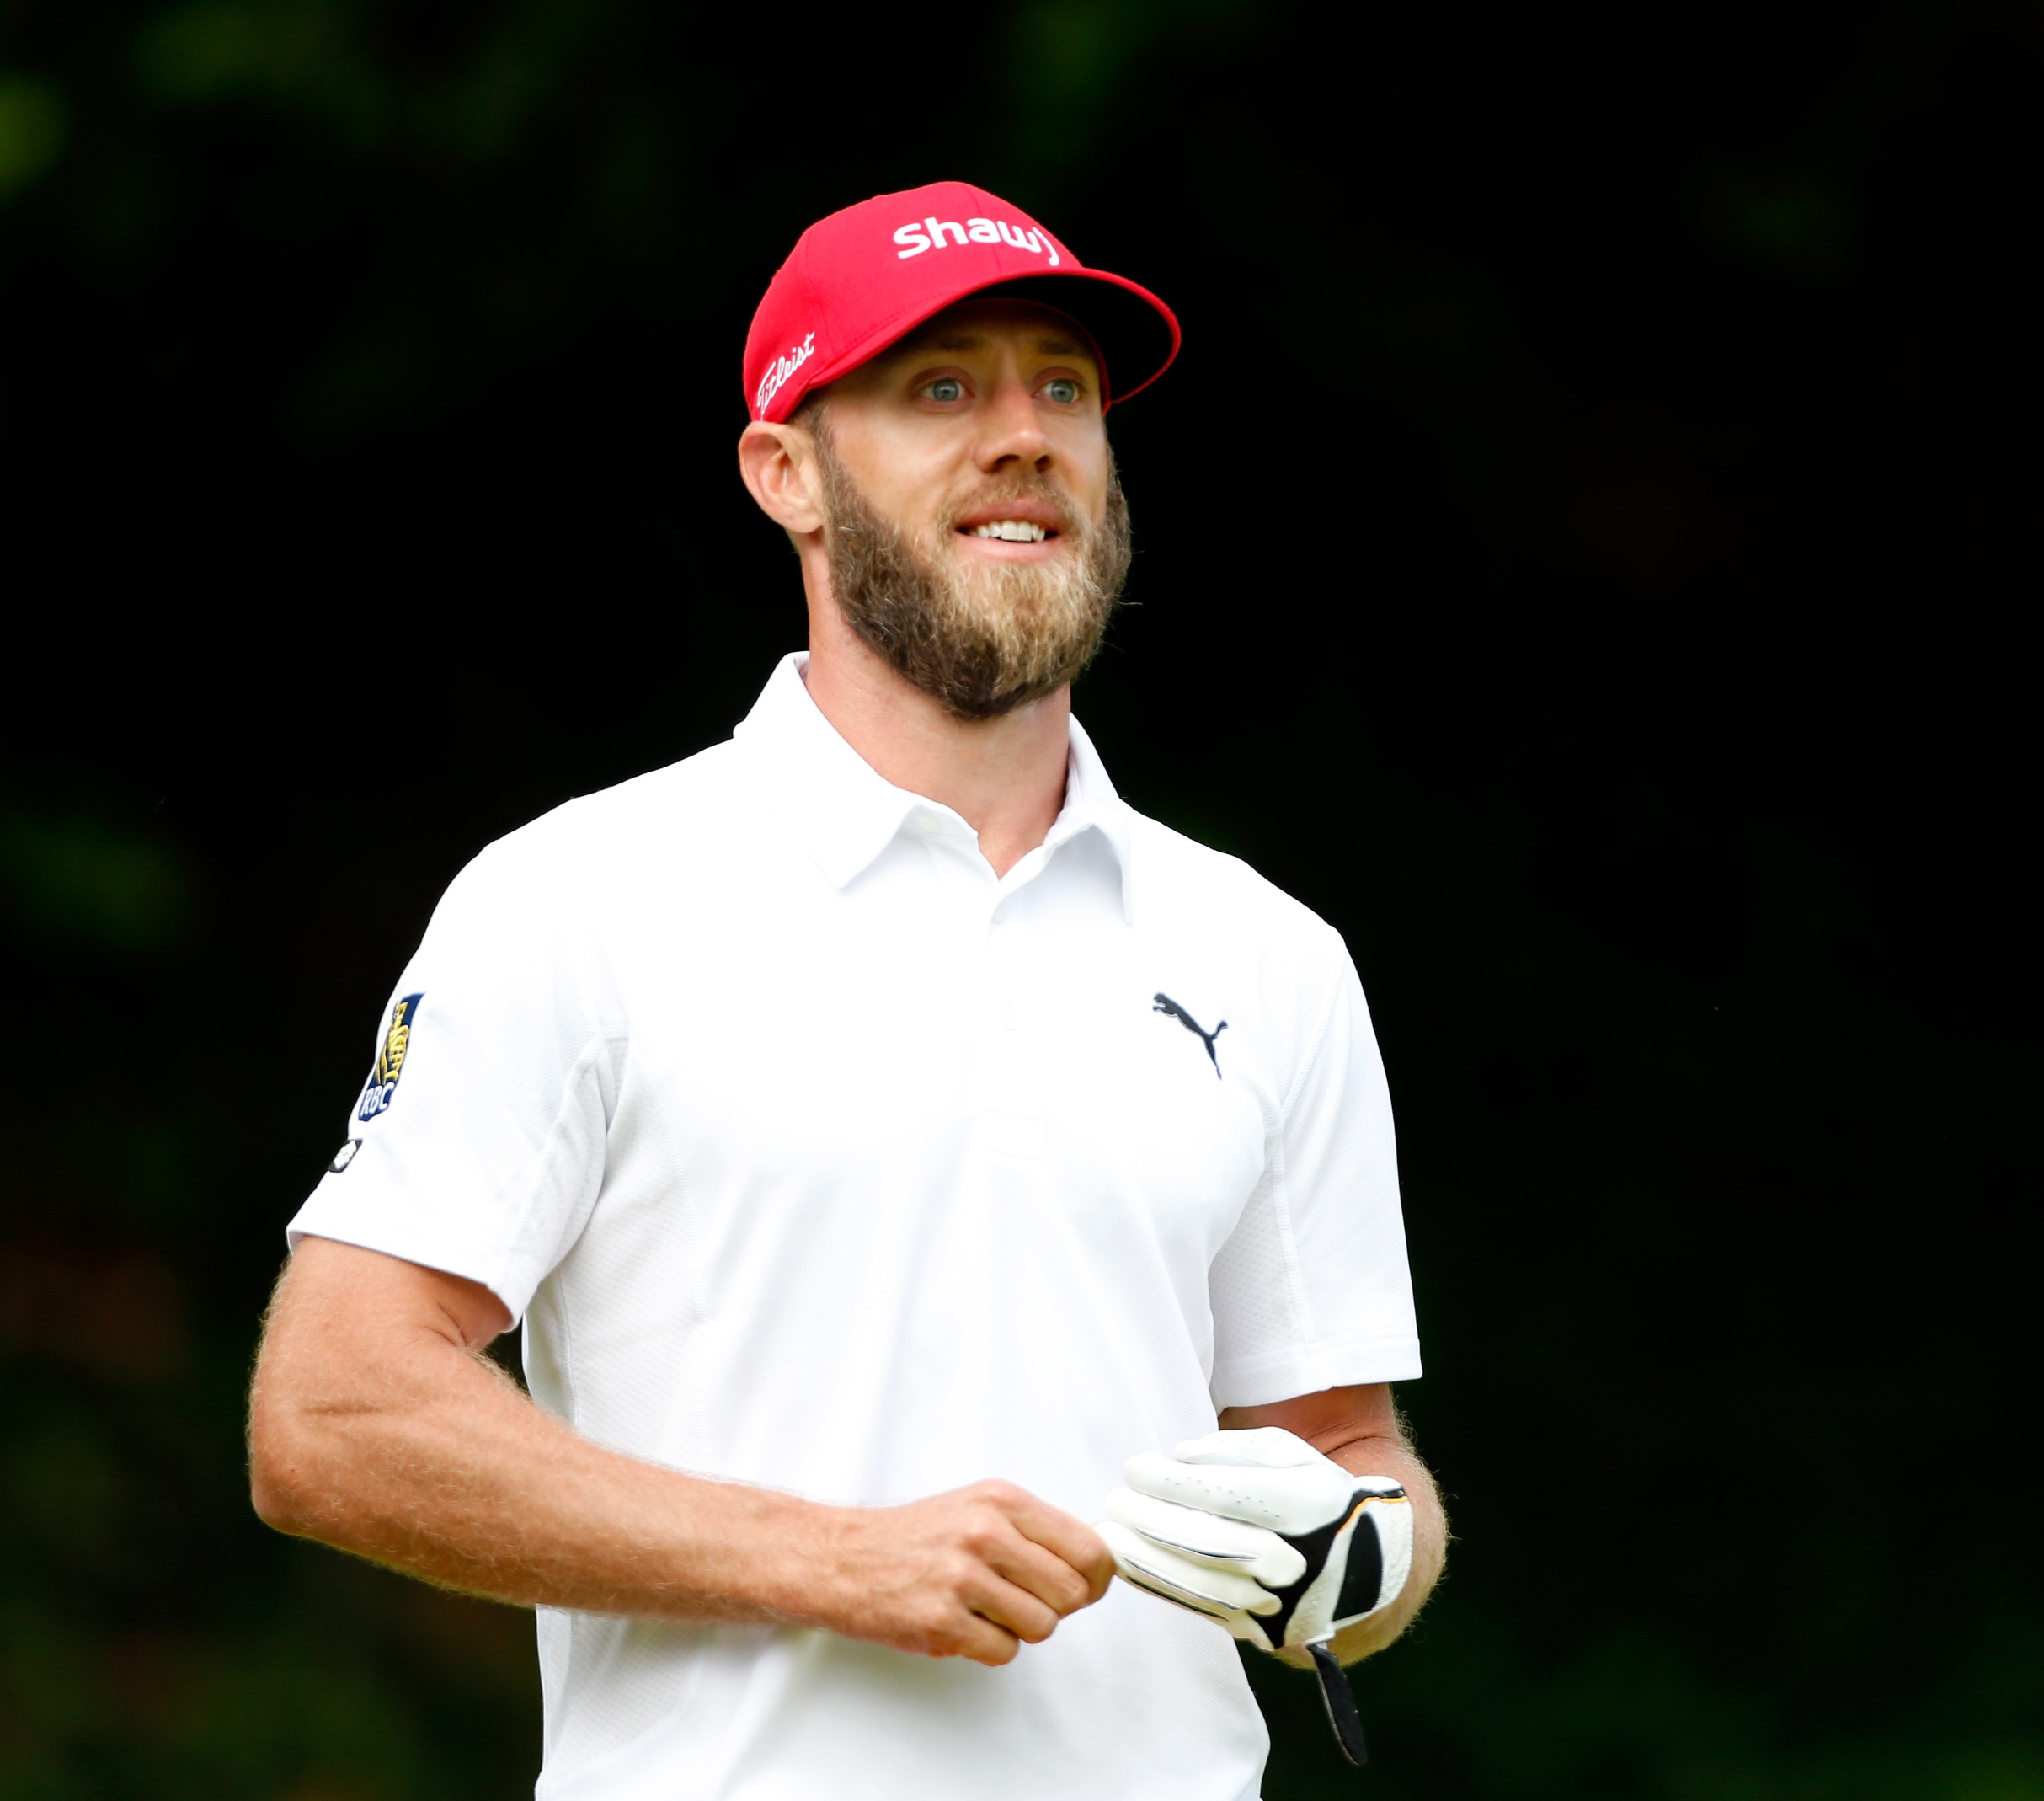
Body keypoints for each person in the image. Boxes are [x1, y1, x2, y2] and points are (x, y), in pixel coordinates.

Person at [246, 180, 1445, 1800]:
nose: (1023, 434)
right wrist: (831, 1561)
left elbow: (1354, 1456)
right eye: (940, 387)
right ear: (784, 471)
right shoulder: (581, 900)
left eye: (1063, 388)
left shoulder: (1268, 956)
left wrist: (1359, 1567)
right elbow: (331, 1413)